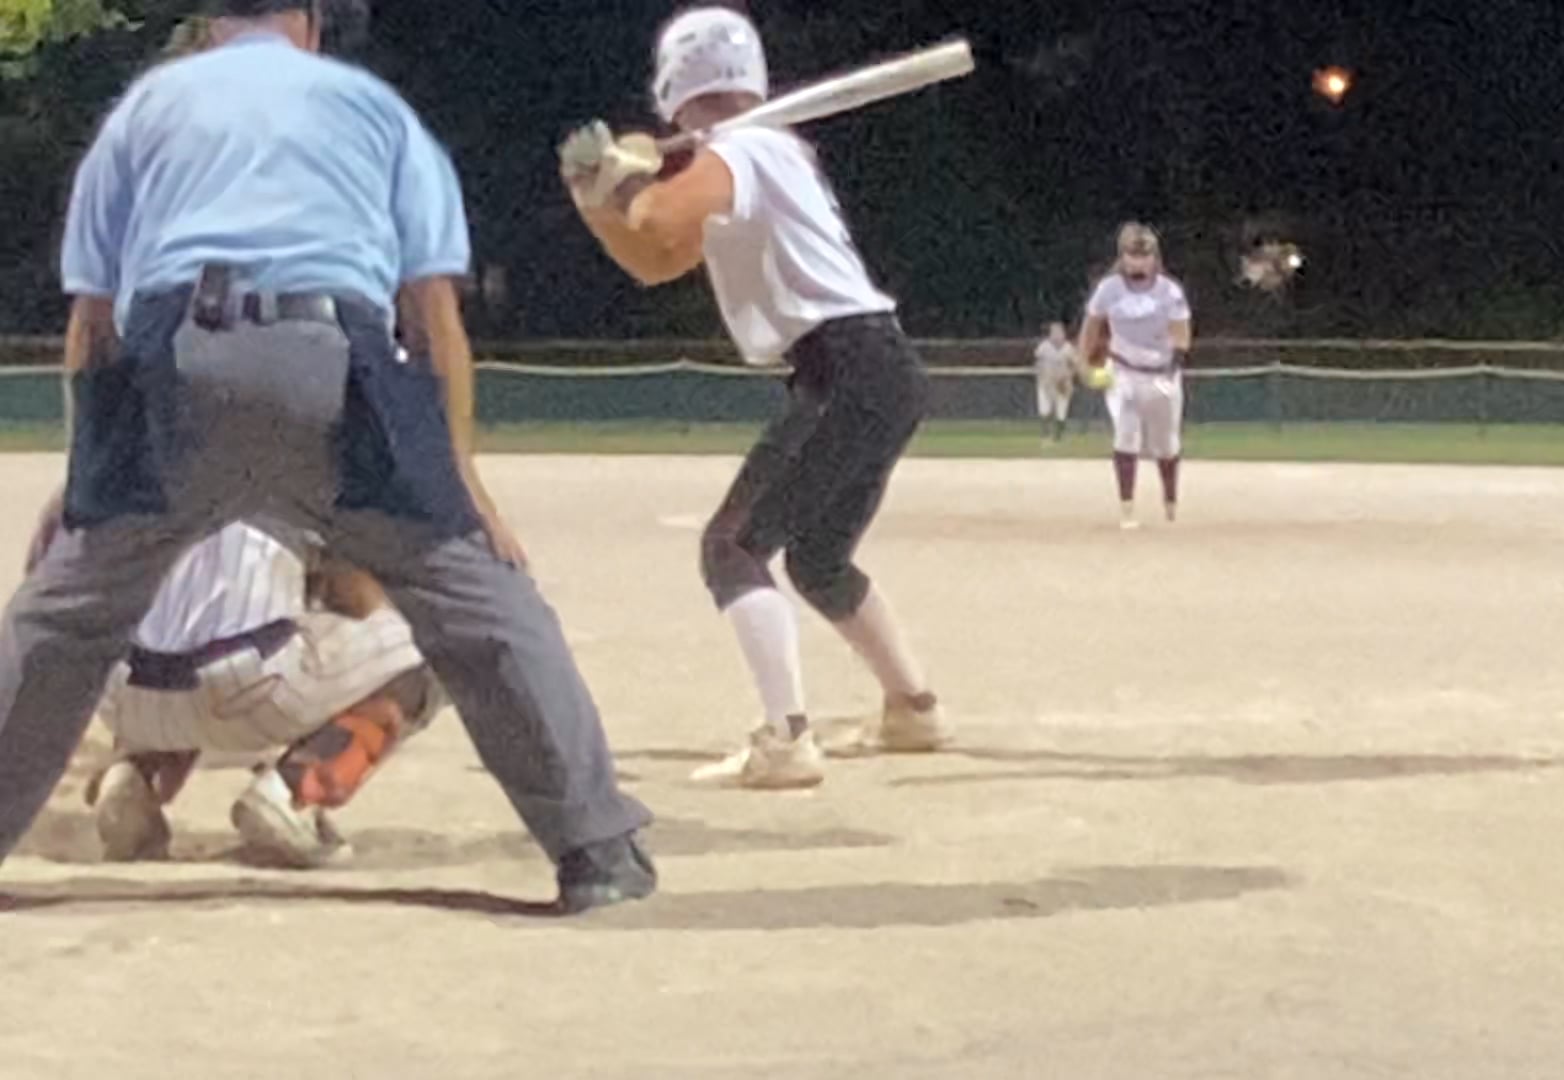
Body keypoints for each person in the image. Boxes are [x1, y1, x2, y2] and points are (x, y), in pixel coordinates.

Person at [0, 0, 654, 914]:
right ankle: (597, 851)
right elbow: (432, 316)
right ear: (308, 22)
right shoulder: (374, 110)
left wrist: (89, 478)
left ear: (215, 22)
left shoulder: (144, 110)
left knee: (64, 621)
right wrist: (460, 482)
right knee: (482, 606)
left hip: (173, 368)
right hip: (332, 368)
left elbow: (93, 324)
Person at [560, 5, 950, 790]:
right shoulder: (759, 154)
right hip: (873, 369)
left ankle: (786, 739)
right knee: (819, 560)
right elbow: (656, 258)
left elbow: (658, 215)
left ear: (674, 85)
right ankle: (913, 709)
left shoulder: (746, 149)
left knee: (731, 547)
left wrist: (630, 175)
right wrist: (596, 198)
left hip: (848, 366)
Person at [79, 519, 448, 869]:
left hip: (119, 690)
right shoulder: (305, 472)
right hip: (243, 686)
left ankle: (133, 773)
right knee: (444, 643)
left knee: (175, 618)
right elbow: (356, 598)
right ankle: (296, 793)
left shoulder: (124, 469)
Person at [1078, 222, 1193, 530]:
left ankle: (1170, 501)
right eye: (1132, 255)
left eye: (1144, 256)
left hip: (1161, 372)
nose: (1138, 262)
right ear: (1122, 257)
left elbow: (1182, 334)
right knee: (1126, 433)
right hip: (1123, 370)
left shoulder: (1169, 292)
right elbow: (1091, 326)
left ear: (1155, 258)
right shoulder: (1109, 289)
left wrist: (1174, 364)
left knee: (1165, 443)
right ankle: (1127, 507)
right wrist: (1083, 361)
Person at [1033, 321, 1078, 445]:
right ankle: (1045, 434)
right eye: (1054, 332)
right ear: (1050, 334)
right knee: (1044, 409)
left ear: (1064, 334)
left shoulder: (1068, 348)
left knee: (1061, 411)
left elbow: (1075, 365)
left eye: (1060, 332)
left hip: (1063, 383)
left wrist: (1068, 377)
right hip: (1046, 382)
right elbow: (1037, 363)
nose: (1057, 335)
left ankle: (1058, 436)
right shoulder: (1044, 347)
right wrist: (1041, 377)